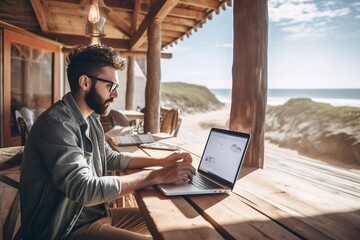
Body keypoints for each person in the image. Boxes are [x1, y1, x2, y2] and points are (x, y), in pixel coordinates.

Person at [19, 45, 195, 240]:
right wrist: (155, 176)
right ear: (85, 82)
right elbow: (84, 189)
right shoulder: (57, 125)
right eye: (110, 86)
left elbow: (110, 158)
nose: (116, 94)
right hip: (65, 229)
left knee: (171, 221)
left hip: (96, 216)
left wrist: (162, 161)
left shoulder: (90, 118)